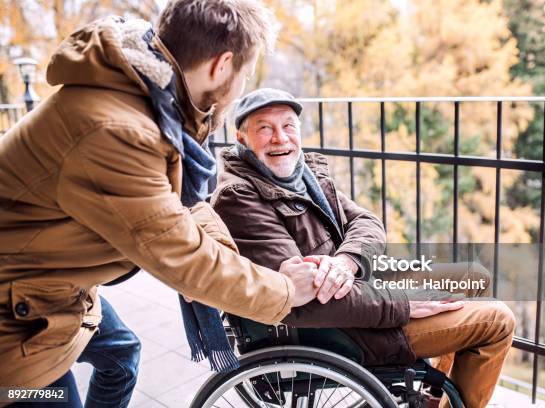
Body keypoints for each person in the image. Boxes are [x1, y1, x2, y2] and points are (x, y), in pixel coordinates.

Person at [0, 2, 319, 407]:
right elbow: (183, 257)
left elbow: (186, 205)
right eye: (246, 74)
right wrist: (284, 292)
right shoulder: (114, 131)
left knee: (121, 355)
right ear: (222, 66)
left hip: (51, 284)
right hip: (15, 321)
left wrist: (241, 262)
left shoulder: (152, 97)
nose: (242, 87)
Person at [211, 87, 517, 408]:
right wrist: (403, 304)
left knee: (472, 277)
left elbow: (367, 222)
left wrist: (346, 261)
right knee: (498, 322)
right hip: (343, 328)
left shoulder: (302, 176)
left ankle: (435, 400)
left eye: (288, 126)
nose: (280, 138)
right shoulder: (240, 197)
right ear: (241, 138)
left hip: (358, 293)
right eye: (264, 128)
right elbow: (299, 302)